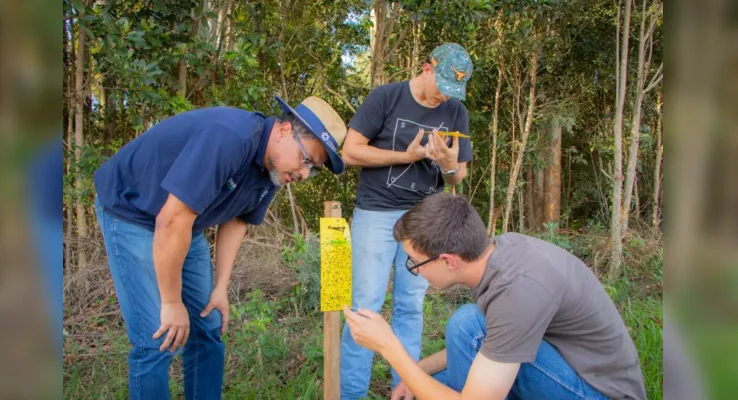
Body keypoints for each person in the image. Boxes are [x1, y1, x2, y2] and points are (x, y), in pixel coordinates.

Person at [92, 95, 347, 400]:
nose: (304, 174)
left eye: (314, 169)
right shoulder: (229, 138)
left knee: (209, 326)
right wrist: (172, 303)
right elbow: (171, 222)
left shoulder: (273, 170)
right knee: (156, 338)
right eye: (307, 159)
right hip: (133, 211)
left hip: (186, 223)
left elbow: (238, 219)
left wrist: (221, 287)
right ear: (282, 131)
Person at [343, 193, 647, 400]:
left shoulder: (517, 290)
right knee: (451, 354)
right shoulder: (501, 253)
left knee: (467, 326)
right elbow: (501, 340)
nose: (414, 271)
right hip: (569, 366)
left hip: (600, 391)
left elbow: (492, 336)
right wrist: (416, 372)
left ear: (448, 260)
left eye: (414, 262)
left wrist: (389, 346)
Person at [339, 42, 474, 399]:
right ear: (427, 68)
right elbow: (350, 152)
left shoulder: (456, 110)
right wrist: (406, 155)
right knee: (365, 305)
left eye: (454, 90)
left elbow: (457, 176)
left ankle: (409, 390)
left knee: (410, 306)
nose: (446, 96)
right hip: (376, 212)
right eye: (442, 85)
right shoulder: (386, 97)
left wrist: (446, 165)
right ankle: (351, 393)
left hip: (425, 220)